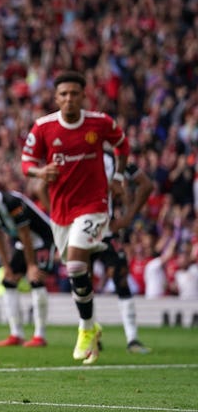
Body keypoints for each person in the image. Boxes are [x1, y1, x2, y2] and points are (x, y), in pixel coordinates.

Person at [21, 70, 129, 365]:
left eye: (74, 93)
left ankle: (83, 328)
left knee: (78, 263)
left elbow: (122, 144)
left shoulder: (100, 123)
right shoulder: (43, 127)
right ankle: (92, 325)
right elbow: (26, 162)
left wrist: (118, 175)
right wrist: (40, 172)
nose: (69, 98)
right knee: (74, 271)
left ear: (84, 96)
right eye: (64, 94)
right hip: (61, 212)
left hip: (93, 205)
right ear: (56, 98)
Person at [0, 185, 54, 348]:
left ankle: (40, 335)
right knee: (8, 281)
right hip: (23, 243)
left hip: (43, 239)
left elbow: (25, 233)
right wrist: (6, 266)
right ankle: (16, 334)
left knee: (36, 280)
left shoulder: (11, 202)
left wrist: (31, 265)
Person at [91, 151, 153, 353]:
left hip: (104, 232)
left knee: (120, 281)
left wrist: (128, 217)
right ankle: (92, 338)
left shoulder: (116, 159)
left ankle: (132, 339)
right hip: (84, 233)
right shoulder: (79, 155)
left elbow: (146, 184)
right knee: (83, 284)